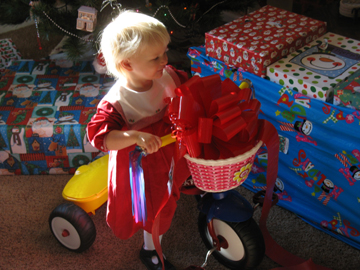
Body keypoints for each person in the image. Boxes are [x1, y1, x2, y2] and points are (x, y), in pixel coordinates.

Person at [87, 10, 190, 270]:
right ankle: (150, 250)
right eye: (155, 57)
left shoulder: (167, 75)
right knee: (156, 208)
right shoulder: (117, 102)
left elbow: (189, 89)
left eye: (165, 52)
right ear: (127, 65)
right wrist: (134, 136)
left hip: (170, 148)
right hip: (142, 165)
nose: (164, 60)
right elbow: (100, 138)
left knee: (179, 180)